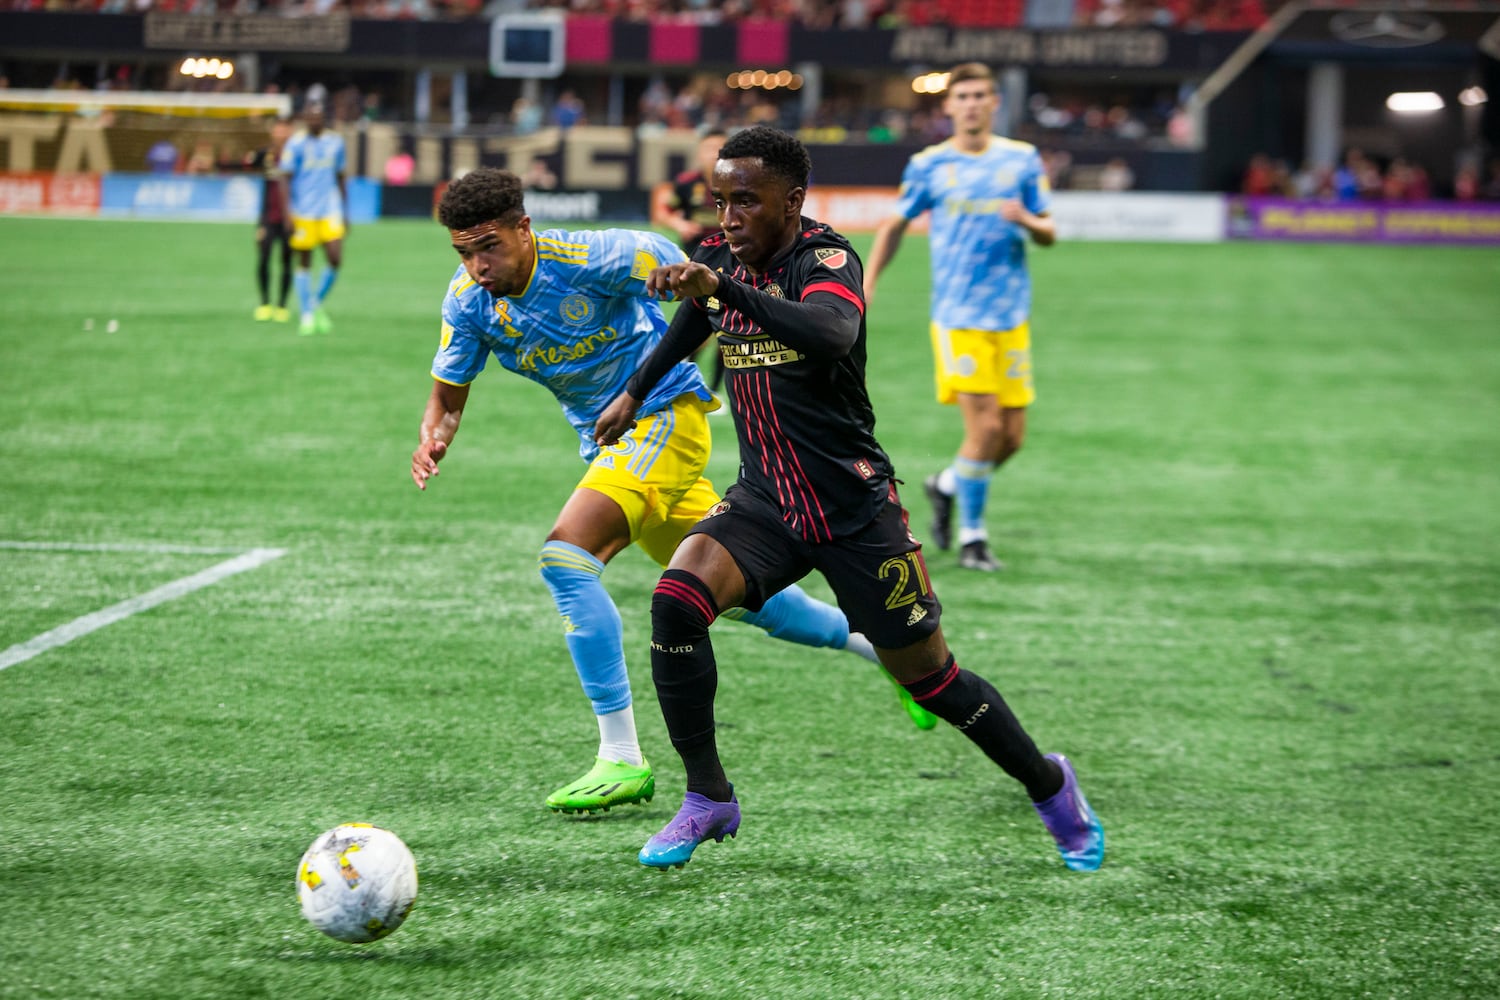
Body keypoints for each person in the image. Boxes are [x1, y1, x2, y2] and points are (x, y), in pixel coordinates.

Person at [595, 126, 1103, 873]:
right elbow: (691, 323)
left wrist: (722, 289)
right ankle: (708, 797)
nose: (729, 217)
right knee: (676, 601)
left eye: (746, 201)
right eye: (721, 201)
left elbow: (834, 332)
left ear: (792, 201)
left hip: (854, 509)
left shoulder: (825, 258)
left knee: (932, 682)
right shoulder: (717, 260)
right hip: (766, 500)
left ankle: (1050, 785)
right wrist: (633, 391)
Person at [410, 168, 935, 817]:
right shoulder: (467, 301)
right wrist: (435, 435)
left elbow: (695, 281)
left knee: (566, 560)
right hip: (614, 446)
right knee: (744, 599)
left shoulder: (597, 257)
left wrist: (727, 317)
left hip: (666, 416)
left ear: (525, 227)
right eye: (464, 251)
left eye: (488, 245)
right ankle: (883, 651)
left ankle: (621, 757)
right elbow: (447, 392)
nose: (477, 264)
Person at [864, 62, 1057, 573]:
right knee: (986, 427)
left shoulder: (1022, 160)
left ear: (995, 103)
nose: (971, 104)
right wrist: (868, 283)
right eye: (963, 96)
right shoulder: (930, 164)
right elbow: (895, 224)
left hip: (1011, 315)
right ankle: (973, 538)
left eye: (980, 95)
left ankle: (946, 484)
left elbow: (1049, 231)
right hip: (957, 316)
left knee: (1011, 438)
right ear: (948, 106)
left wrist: (1029, 220)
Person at [654, 128, 730, 396]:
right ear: (699, 152)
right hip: (693, 268)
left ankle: (716, 389)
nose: (713, 155)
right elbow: (663, 211)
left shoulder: (736, 184)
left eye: (719, 149)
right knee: (696, 328)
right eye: (709, 149)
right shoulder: (687, 183)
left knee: (726, 329)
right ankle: (688, 383)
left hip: (731, 267)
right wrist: (679, 223)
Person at [277, 103, 347, 337]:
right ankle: (307, 314)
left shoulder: (335, 142)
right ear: (304, 119)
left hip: (330, 209)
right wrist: (288, 213)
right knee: (304, 260)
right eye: (309, 117)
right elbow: (284, 178)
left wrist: (345, 210)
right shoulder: (295, 143)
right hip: (304, 211)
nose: (313, 121)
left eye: (317, 117)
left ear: (323, 119)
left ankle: (313, 303)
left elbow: (340, 176)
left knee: (335, 258)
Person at [246, 118, 293, 323]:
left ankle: (282, 305)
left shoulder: (295, 156)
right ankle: (265, 303)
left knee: (287, 261)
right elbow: (246, 162)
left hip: (289, 218)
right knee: (263, 259)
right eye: (278, 130)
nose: (281, 133)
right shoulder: (266, 155)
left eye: (285, 130)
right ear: (273, 132)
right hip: (267, 217)